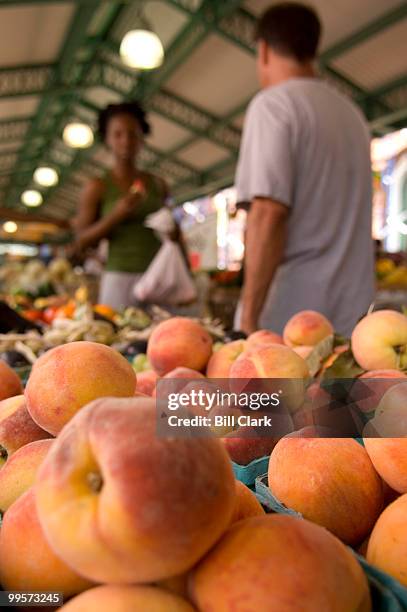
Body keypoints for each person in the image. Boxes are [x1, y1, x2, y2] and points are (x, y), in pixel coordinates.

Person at [235, 2, 375, 337]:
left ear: (264, 50)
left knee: (279, 393)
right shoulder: (352, 115)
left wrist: (248, 319)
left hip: (292, 319)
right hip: (354, 315)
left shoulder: (273, 105)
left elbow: (268, 212)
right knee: (347, 392)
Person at [73, 102, 174, 309]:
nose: (126, 141)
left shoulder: (158, 185)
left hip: (157, 277)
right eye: (117, 134)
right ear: (107, 139)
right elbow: (81, 241)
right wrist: (116, 216)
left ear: (141, 139)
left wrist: (172, 232)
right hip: (119, 278)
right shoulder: (98, 187)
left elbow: (173, 232)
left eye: (133, 134)